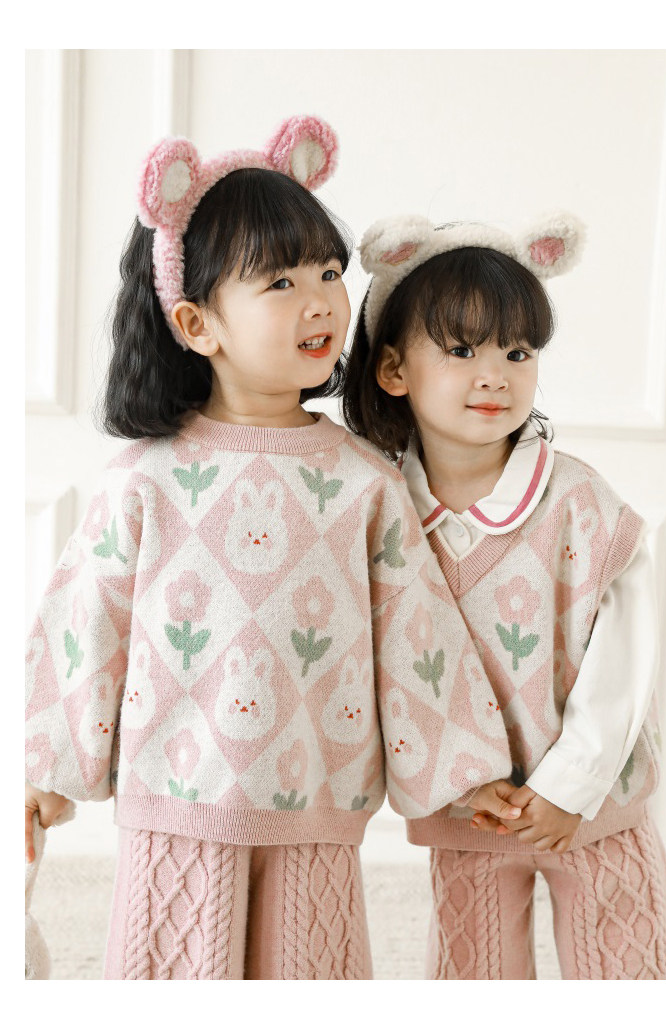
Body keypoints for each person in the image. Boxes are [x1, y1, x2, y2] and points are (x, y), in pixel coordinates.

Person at [24, 123, 520, 980]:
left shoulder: (365, 482)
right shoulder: (143, 481)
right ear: (196, 323)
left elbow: (417, 634)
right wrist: (44, 767)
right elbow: (85, 624)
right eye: (281, 281)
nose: (321, 300)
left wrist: (464, 770)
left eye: (329, 272)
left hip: (315, 803)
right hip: (175, 802)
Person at [341, 212, 666, 979]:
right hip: (467, 805)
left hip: (593, 807)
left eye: (518, 352)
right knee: (474, 971)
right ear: (394, 370)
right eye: (462, 350)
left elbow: (623, 662)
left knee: (634, 966)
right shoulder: (381, 511)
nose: (495, 374)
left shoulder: (580, 504)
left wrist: (574, 785)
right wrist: (451, 775)